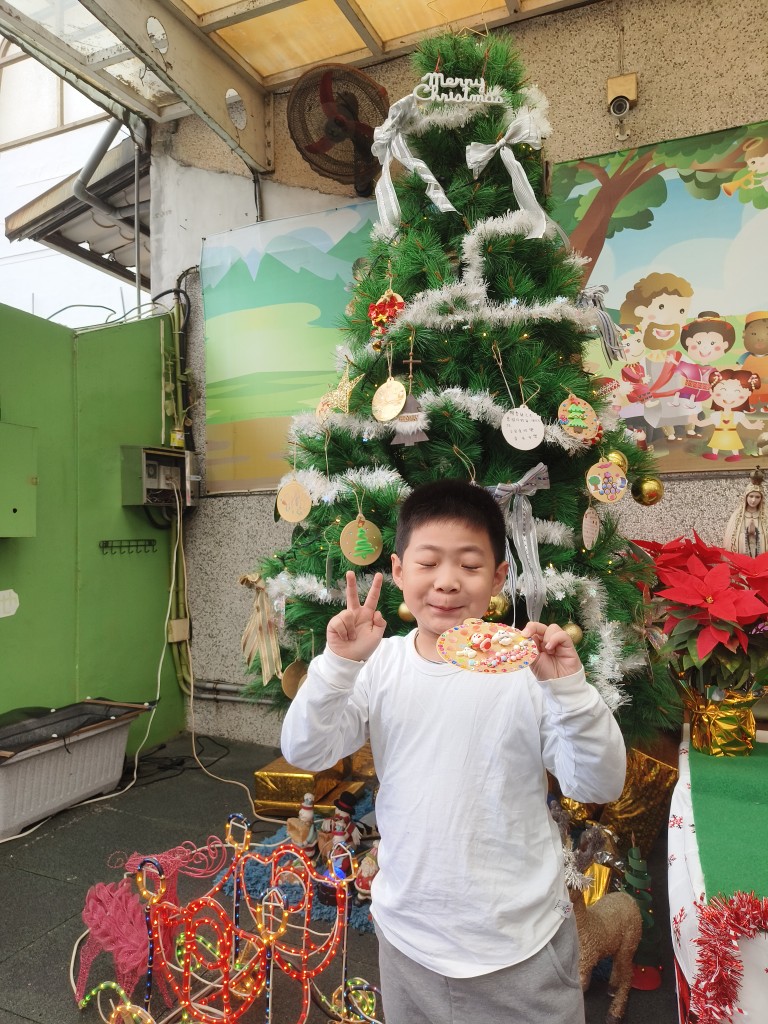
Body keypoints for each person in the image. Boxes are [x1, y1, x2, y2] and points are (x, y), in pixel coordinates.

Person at [281, 479, 627, 1024]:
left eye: (469, 565)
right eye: (428, 563)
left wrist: (570, 690)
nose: (446, 582)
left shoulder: (527, 670)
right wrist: (338, 665)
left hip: (519, 946)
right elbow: (306, 748)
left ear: (499, 577)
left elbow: (598, 784)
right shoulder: (382, 665)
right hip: (408, 937)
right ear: (399, 571)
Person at [723, 472, 768, 556]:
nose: (753, 500)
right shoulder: (737, 516)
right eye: (751, 496)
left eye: (757, 497)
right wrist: (747, 534)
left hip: (760, 558)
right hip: (743, 557)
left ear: (761, 499)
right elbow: (732, 540)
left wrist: (756, 534)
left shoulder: (765, 516)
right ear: (746, 497)